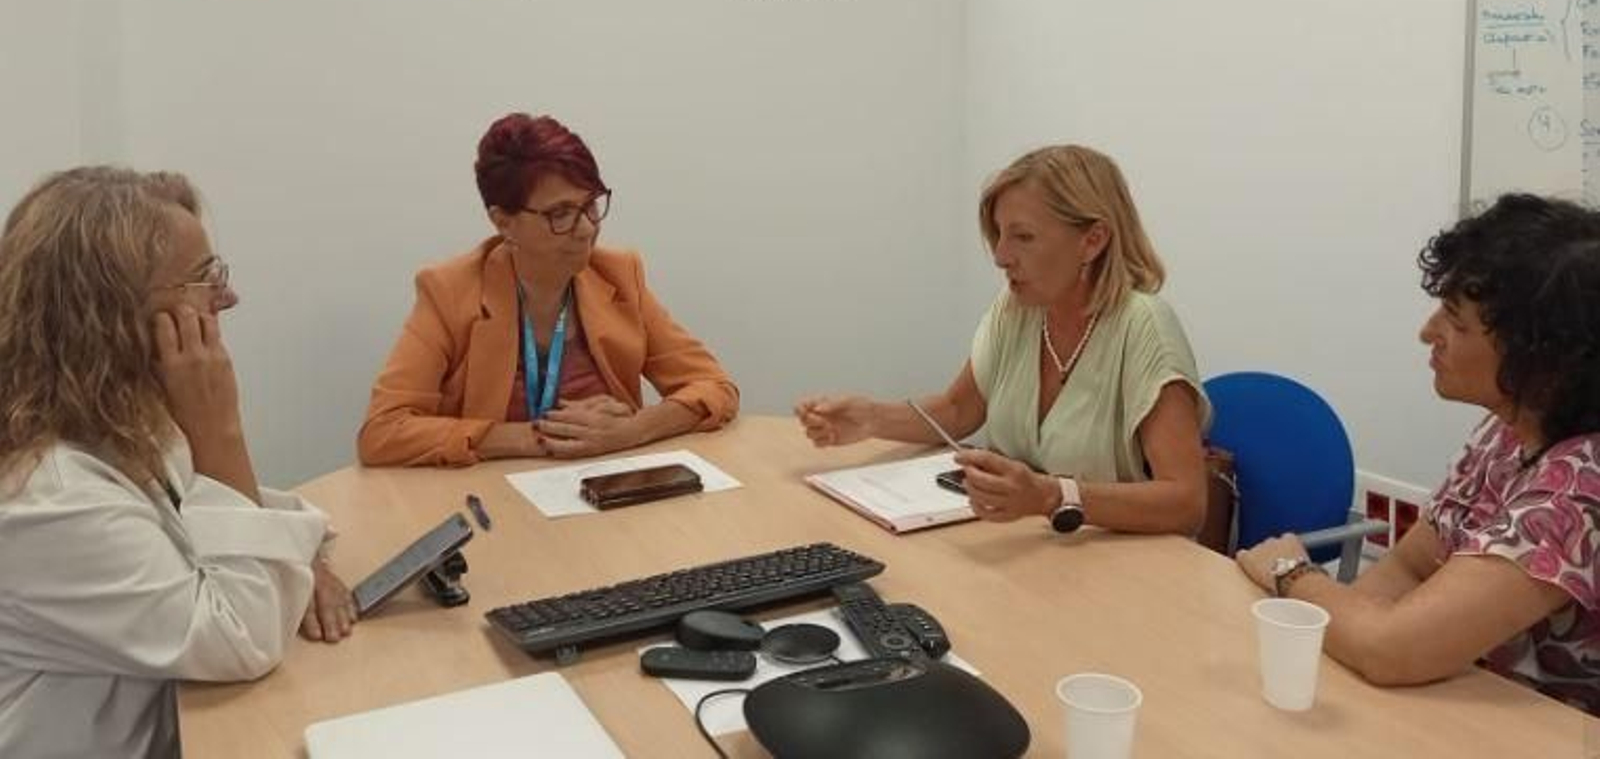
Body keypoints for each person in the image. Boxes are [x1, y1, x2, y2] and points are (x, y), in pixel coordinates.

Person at [0, 167, 354, 759]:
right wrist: (222, 430)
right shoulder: (47, 494)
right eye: (204, 278)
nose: (229, 297)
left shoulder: (119, 415)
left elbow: (215, 520)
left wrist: (300, 558)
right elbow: (242, 636)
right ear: (111, 313)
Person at [1237, 194, 1600, 712]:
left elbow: (1392, 649)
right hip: (1450, 703)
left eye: (1455, 322)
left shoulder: (1578, 491)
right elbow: (1409, 568)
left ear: (1538, 354)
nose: (1428, 333)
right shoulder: (1505, 431)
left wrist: (1292, 575)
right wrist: (1347, 636)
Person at [796, 145, 1211, 535]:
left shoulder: (1145, 327)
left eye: (1023, 237)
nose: (1000, 255)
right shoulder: (1018, 309)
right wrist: (872, 418)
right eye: (998, 234)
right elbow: (959, 409)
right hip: (1035, 547)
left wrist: (1053, 496)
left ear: (1093, 240)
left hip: (1125, 563)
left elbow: (1186, 501)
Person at [359, 113, 739, 466]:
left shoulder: (619, 276)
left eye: (591, 205)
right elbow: (383, 432)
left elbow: (715, 387)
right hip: (497, 506)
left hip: (607, 500)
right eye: (560, 214)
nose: (587, 228)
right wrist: (531, 437)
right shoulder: (450, 292)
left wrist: (632, 430)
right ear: (503, 222)